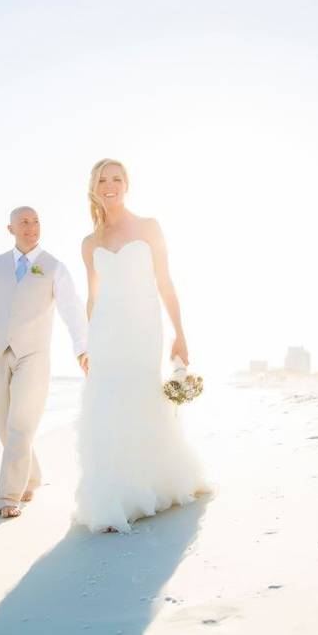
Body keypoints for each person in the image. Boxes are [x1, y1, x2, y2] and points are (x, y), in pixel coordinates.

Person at [74, 158, 208, 533]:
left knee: (140, 397)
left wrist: (180, 333)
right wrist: (87, 345)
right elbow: (92, 297)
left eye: (117, 179)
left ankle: (154, 483)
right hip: (105, 332)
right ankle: (116, 494)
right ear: (94, 187)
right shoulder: (89, 243)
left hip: (143, 327)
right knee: (105, 404)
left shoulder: (149, 227)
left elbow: (165, 281)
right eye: (103, 180)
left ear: (127, 184)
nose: (110, 185)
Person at [0, 206, 88, 519]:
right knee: (0, 419)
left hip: (34, 356)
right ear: (11, 229)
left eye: (35, 222)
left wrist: (82, 348)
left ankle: (8, 496)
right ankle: (31, 475)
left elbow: (72, 311)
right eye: (23, 223)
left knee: (20, 424)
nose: (31, 227)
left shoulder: (54, 268)